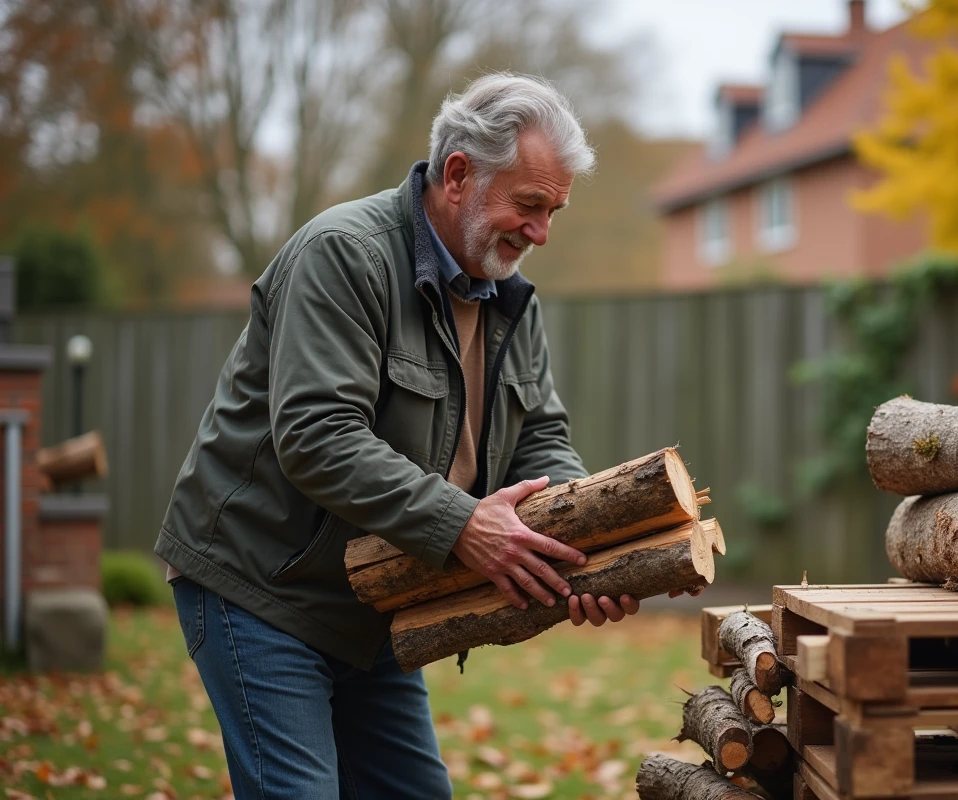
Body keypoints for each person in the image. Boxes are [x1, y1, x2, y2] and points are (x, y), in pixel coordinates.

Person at [156, 73, 695, 799]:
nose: (541, 232)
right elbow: (317, 435)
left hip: (374, 603)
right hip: (260, 588)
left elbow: (541, 436)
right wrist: (464, 524)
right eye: (529, 205)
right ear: (457, 174)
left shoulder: (508, 297)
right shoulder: (344, 256)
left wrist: (587, 548)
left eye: (554, 210)